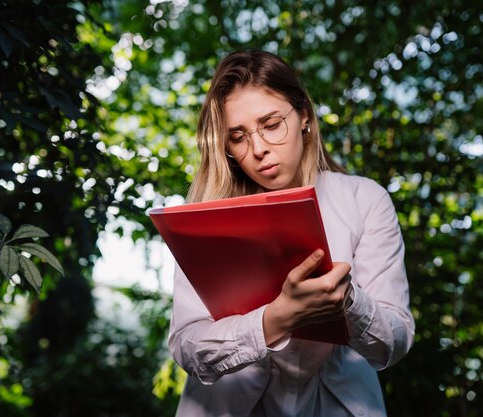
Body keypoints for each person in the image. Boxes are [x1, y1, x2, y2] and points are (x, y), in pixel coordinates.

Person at [168, 50, 415, 417]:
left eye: (271, 124)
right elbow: (187, 346)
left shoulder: (365, 199)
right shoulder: (208, 218)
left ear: (304, 116)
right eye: (238, 136)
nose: (259, 149)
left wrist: (348, 300)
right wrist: (273, 321)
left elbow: (393, 344)